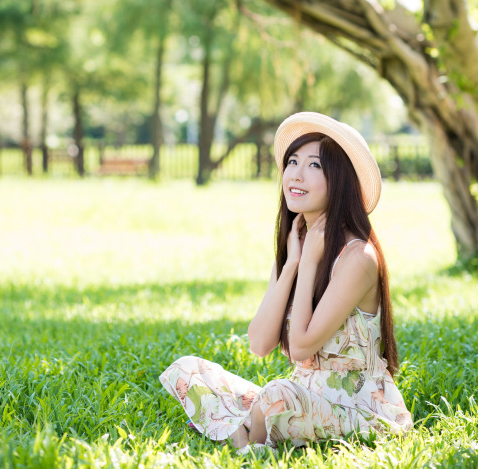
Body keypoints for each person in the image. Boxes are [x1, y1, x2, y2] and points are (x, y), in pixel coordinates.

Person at [159, 112, 413, 452]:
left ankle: (245, 440)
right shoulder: (296, 246)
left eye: (314, 166)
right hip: (297, 398)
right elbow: (260, 343)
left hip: (360, 412)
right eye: (293, 161)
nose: (295, 173)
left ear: (341, 180)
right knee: (188, 370)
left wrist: (308, 262)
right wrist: (292, 262)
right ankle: (247, 435)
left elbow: (301, 348)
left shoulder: (358, 258)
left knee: (275, 395)